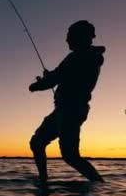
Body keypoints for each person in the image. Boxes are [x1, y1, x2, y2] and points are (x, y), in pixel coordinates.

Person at [29, 20, 105, 183]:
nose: (67, 40)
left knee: (70, 156)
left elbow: (56, 77)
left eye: (70, 36)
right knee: (37, 142)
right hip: (64, 110)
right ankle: (43, 181)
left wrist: (36, 86)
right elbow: (60, 75)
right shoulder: (83, 57)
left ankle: (98, 184)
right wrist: (50, 78)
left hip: (71, 110)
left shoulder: (79, 57)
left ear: (81, 37)